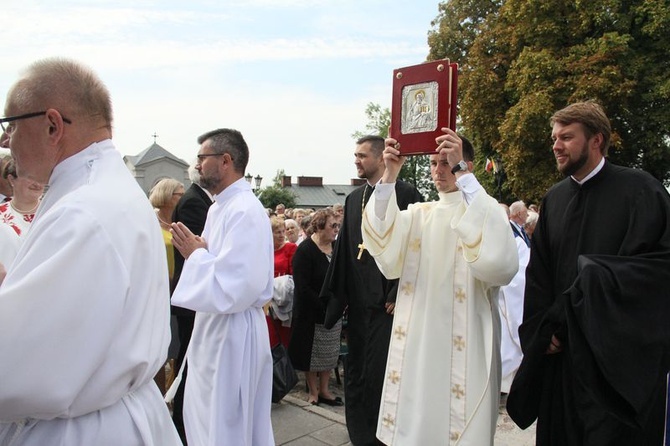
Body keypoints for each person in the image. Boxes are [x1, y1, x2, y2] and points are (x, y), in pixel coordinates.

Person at [0, 57, 180, 445]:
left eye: (10, 126)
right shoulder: (107, 190)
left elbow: (18, 367)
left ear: (52, 125)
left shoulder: (83, 212)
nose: (5, 141)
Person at [506, 101, 670, 445]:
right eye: (554, 137)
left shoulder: (642, 191)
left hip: (615, 370)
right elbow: (540, 277)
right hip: (562, 361)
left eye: (566, 137)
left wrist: (595, 281)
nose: (555, 145)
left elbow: (657, 271)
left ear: (597, 140)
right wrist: (542, 332)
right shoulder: (555, 199)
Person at [362, 129, 517, 445]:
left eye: (446, 162)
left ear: (466, 165)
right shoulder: (421, 214)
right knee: (419, 421)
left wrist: (462, 173)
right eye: (433, 163)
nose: (438, 170)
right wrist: (390, 174)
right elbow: (381, 241)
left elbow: (501, 264)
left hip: (467, 339)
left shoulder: (484, 210)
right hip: (420, 341)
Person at [170, 128, 274, 445]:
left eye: (203, 157)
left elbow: (238, 284)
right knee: (207, 415)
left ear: (225, 160)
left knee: (227, 421)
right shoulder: (219, 207)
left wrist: (196, 254)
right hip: (215, 327)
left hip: (234, 332)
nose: (197, 165)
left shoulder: (244, 210)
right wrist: (203, 253)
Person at [321, 135, 423, 445]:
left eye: (362, 155)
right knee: (356, 371)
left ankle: (385, 436)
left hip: (388, 306)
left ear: (381, 158)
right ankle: (360, 433)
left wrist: (397, 291)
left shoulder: (407, 194)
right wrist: (337, 300)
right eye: (355, 154)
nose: (356, 160)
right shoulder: (353, 199)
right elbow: (342, 254)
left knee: (382, 372)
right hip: (358, 301)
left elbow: (414, 247)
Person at [168, 164, 213, 443]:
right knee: (188, 361)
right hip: (193, 298)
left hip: (195, 297)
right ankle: (183, 424)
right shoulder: (195, 203)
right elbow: (198, 248)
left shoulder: (199, 199)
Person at [289, 208, 343, 406]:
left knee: (328, 353)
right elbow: (302, 286)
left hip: (332, 312)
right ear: (320, 227)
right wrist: (322, 306)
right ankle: (313, 392)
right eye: (332, 226)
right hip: (310, 312)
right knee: (311, 354)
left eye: (338, 226)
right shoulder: (305, 250)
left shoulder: (337, 248)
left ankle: (325, 390)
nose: (336, 230)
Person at [499, 200, 531, 393]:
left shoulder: (517, 241)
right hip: (498, 301)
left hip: (509, 298)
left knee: (508, 345)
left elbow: (522, 272)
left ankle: (507, 385)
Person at [267, 215, 297, 348]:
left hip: (284, 298)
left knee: (283, 339)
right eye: (277, 232)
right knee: (270, 338)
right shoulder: (265, 249)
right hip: (268, 301)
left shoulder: (291, 248)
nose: (281, 235)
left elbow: (294, 273)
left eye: (282, 231)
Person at [149, 177, 185, 281]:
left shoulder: (183, 220)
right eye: (180, 195)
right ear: (166, 195)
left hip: (180, 280)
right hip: (158, 281)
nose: (185, 198)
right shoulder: (151, 221)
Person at [0, 158, 44, 236]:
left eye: (41, 178)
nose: (37, 184)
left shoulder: (53, 210)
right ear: (11, 180)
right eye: (30, 178)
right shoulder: (1, 213)